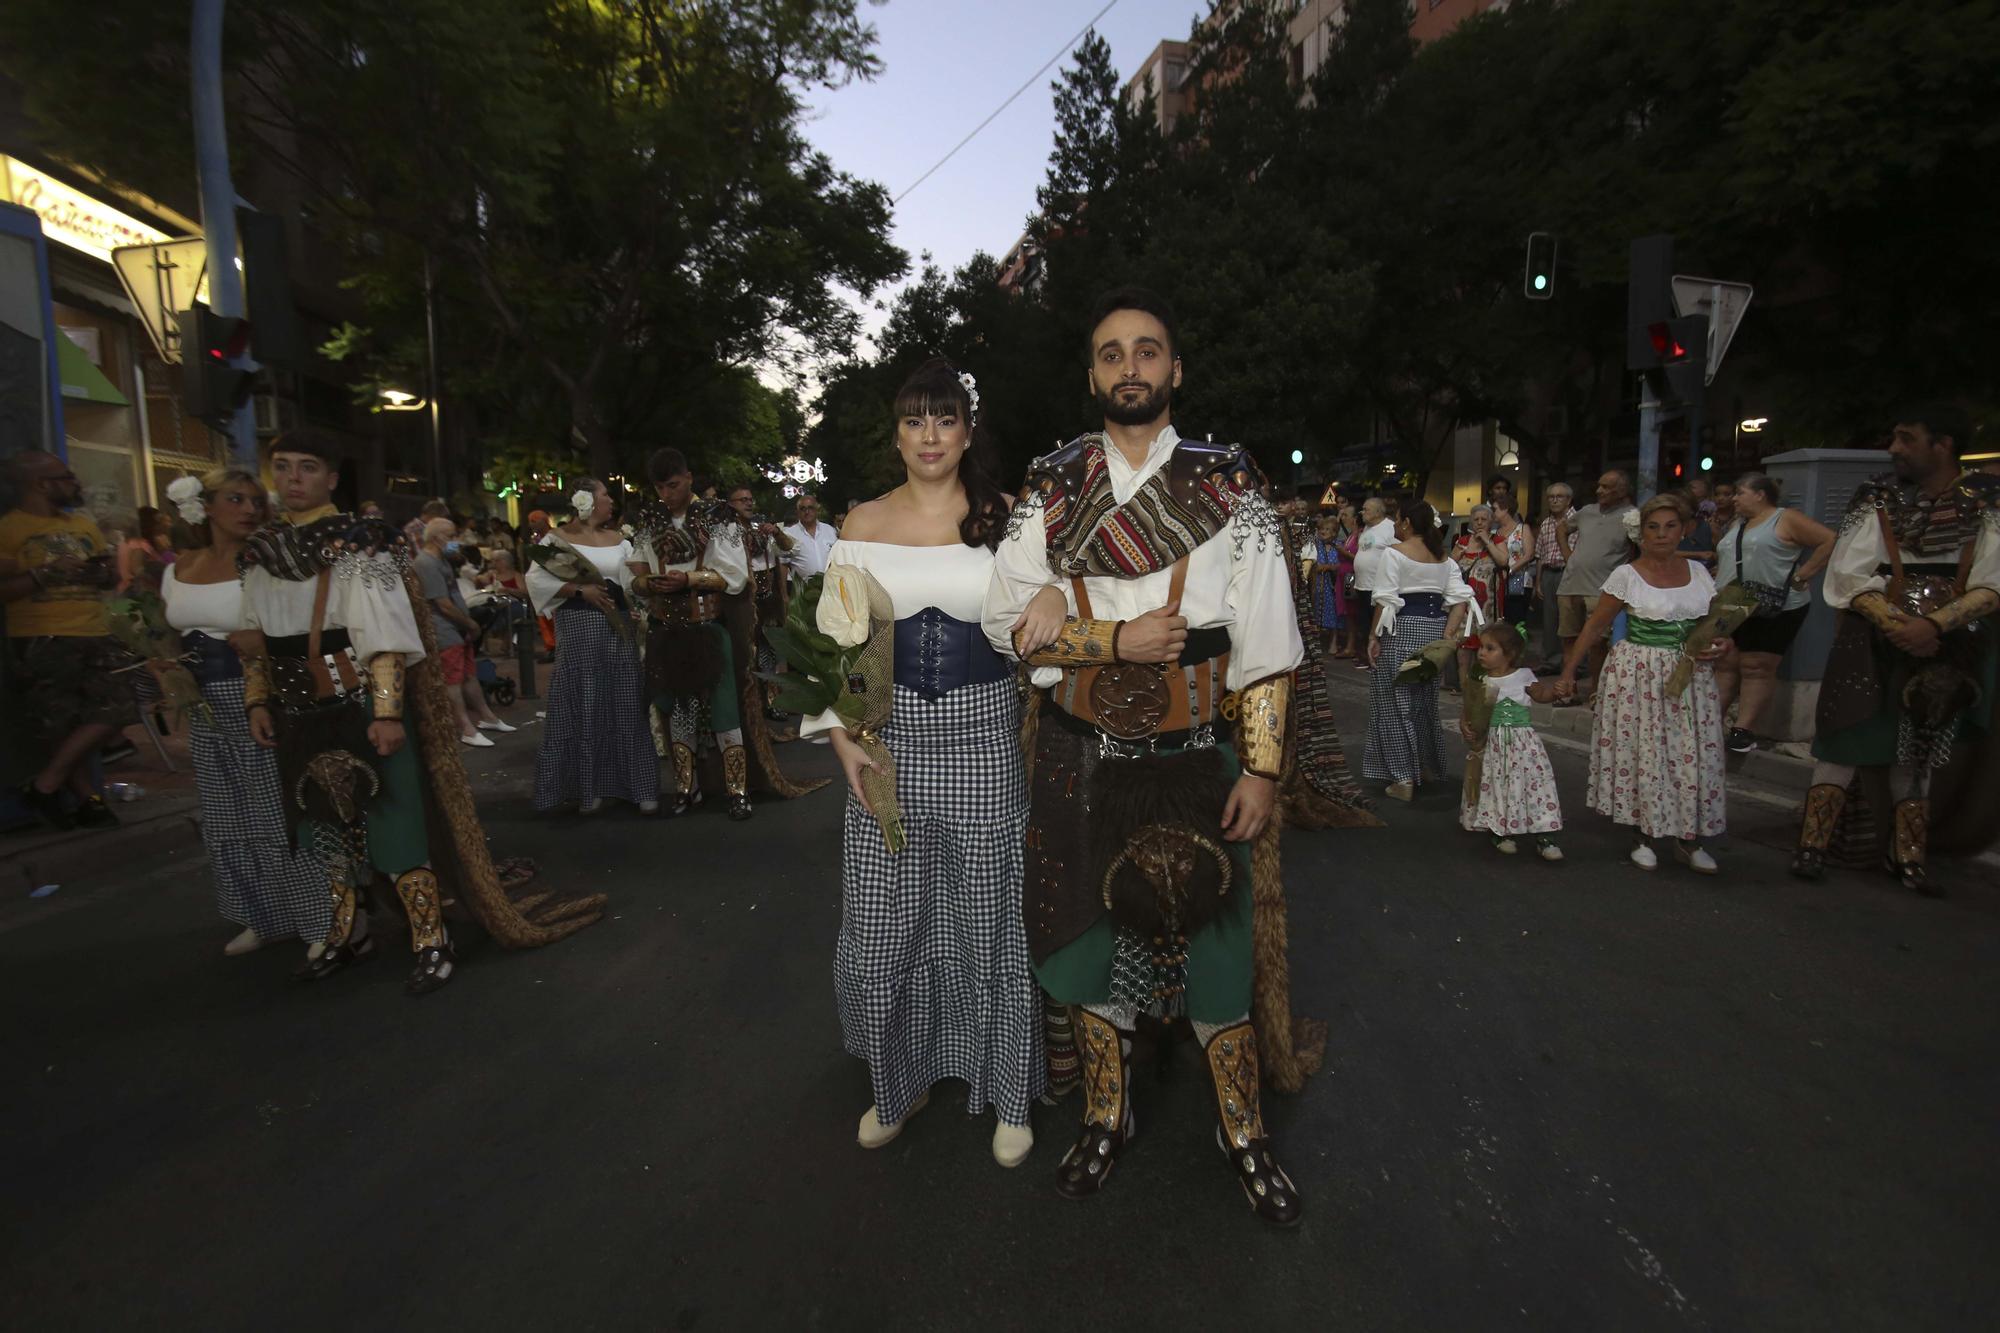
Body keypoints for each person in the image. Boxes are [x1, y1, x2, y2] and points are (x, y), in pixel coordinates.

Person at [988, 287, 1317, 1226]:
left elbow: (1268, 639)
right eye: (1109, 354)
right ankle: (1106, 1113)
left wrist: (1259, 770)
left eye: (1146, 351)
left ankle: (1241, 1129)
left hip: (1198, 751)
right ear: (1091, 375)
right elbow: (1001, 618)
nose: (1128, 366)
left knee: (1216, 951)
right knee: (1092, 949)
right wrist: (1096, 636)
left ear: (1175, 370)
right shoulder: (1051, 484)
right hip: (1081, 754)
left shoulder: (1229, 484)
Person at [239, 430, 599, 993]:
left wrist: (385, 713)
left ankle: (431, 938)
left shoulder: (364, 542)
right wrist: (258, 699)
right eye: (281, 466)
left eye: (307, 467)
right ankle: (347, 933)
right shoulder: (262, 551)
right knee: (324, 827)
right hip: (296, 711)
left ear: (332, 477)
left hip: (361, 701)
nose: (292, 478)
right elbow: (256, 638)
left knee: (394, 823)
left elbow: (386, 636)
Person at [800, 357, 1041, 1165]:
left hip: (982, 740)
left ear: (968, 431)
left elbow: (1048, 619)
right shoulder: (862, 522)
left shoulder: (1007, 517)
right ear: (897, 433)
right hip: (886, 743)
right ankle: (894, 1083)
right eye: (914, 419)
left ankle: (1009, 1090)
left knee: (991, 921)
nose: (930, 434)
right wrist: (848, 750)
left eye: (945, 418)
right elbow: (836, 654)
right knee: (883, 926)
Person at [1791, 404, 2000, 895]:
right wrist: (1893, 622)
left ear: (1942, 444)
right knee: (1845, 735)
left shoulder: (1987, 500)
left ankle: (1907, 855)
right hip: (1870, 638)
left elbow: (1993, 583)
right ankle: (1813, 846)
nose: (1893, 448)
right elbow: (1846, 574)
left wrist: (1933, 626)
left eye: (1906, 438)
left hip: (1948, 644)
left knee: (1919, 749)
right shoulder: (1877, 495)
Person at [160, 468, 332, 957]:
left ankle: (320, 918)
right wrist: (164, 665)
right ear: (205, 506)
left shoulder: (267, 563)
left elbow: (312, 624)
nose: (249, 510)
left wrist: (269, 643)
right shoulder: (180, 566)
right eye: (235, 499)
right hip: (203, 703)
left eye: (257, 501)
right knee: (226, 818)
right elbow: (169, 629)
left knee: (280, 810)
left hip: (263, 695)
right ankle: (261, 915)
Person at [1557, 493, 1730, 873]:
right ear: (1641, 533)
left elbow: (1716, 624)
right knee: (1646, 753)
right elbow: (1595, 625)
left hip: (1690, 678)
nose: (1662, 535)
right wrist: (1569, 672)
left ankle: (1689, 838)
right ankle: (1644, 834)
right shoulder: (1626, 575)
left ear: (1684, 530)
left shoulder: (1699, 575)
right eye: (1653, 527)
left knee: (1691, 752)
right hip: (1639, 673)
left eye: (1670, 526)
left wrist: (1721, 642)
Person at [0, 450, 129, 829]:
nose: (75, 483)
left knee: (118, 709)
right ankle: (88, 800)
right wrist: (46, 573)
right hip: (41, 635)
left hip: (94, 629)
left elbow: (107, 576)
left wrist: (101, 573)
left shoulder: (83, 526)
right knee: (59, 723)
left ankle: (44, 785)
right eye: (66, 477)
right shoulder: (10, 528)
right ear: (42, 484)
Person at [631, 449, 753, 819]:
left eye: (673, 485)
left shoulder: (716, 518)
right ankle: (686, 788)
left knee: (724, 710)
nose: (667, 494)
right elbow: (634, 568)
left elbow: (736, 578)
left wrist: (689, 579)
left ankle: (737, 791)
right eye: (660, 487)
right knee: (679, 711)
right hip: (668, 630)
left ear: (688, 477)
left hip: (708, 628)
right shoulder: (650, 520)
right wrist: (646, 581)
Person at [526, 478, 657, 815]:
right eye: (604, 495)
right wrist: (579, 591)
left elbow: (630, 582)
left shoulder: (619, 540)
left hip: (619, 627)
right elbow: (536, 579)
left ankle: (638, 786)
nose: (611, 501)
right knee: (587, 701)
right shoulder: (557, 540)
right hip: (579, 628)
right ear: (584, 500)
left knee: (627, 701)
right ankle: (590, 786)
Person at [1712, 472, 1835, 752]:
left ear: (1760, 494)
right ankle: (1710, 722)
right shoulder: (1737, 523)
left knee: (1756, 665)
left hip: (1773, 606)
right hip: (1732, 602)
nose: (1734, 498)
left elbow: (1829, 539)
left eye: (1740, 492)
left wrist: (1804, 574)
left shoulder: (1785, 518)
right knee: (1725, 662)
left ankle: (1744, 729)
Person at [1365, 500, 1477, 801]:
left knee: (1394, 700)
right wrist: (1446, 636)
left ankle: (1403, 778)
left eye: (1399, 520)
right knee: (1423, 702)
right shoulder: (1445, 558)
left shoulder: (1394, 554)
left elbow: (1385, 600)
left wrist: (1373, 637)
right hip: (1434, 629)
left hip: (1401, 629)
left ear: (1407, 523)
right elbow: (1460, 600)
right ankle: (1424, 769)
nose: (1397, 526)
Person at [1459, 623, 1564, 861]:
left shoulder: (1524, 676)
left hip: (1523, 743)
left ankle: (1545, 833)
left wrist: (1555, 693)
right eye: (1481, 647)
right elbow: (1469, 710)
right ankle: (1501, 830)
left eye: (1490, 648)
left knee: (1535, 785)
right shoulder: (1480, 679)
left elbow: (1542, 696)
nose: (1482, 653)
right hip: (1493, 744)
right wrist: (1465, 725)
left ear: (1510, 654)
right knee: (1499, 785)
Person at [415, 518, 512, 747]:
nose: (456, 540)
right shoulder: (426, 563)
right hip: (444, 628)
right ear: (438, 537)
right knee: (453, 679)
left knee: (468, 673)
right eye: (452, 535)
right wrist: (469, 623)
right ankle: (465, 727)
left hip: (457, 627)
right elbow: (442, 603)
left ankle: (487, 717)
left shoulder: (443, 560)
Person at [1555, 471, 1639, 704]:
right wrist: (1568, 555)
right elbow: (1561, 529)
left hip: (1603, 588)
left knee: (1597, 643)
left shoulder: (1632, 516)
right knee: (1569, 638)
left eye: (1606, 487)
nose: (1599, 491)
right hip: (1571, 583)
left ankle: (1596, 691)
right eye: (1599, 486)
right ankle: (1567, 689)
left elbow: (1637, 549)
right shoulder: (1587, 512)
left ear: (1621, 491)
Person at [727, 483, 796, 722]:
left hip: (770, 599)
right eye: (741, 499)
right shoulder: (729, 532)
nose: (748, 502)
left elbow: (789, 548)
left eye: (749, 498)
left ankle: (774, 702)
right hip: (746, 601)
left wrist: (776, 533)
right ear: (731, 505)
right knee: (750, 655)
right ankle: (753, 705)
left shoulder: (764, 527)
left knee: (772, 653)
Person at [1450, 505, 1507, 694]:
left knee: (1486, 646)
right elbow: (1449, 566)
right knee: (1463, 648)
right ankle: (1464, 688)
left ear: (1491, 522)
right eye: (1476, 519)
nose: (1480, 522)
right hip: (1464, 605)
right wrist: (1458, 552)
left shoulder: (1498, 540)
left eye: (1484, 519)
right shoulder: (1463, 541)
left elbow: (1503, 561)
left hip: (1487, 606)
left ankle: (1482, 688)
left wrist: (1486, 542)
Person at [1350, 495, 1397, 671]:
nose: (1362, 512)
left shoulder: (1390, 528)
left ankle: (1378, 659)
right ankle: (1366, 657)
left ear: (1378, 511)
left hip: (1378, 585)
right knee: (1363, 622)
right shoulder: (1367, 528)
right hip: (1362, 584)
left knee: (1377, 625)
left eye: (1366, 509)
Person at [1532, 482, 1574, 670]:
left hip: (1569, 572)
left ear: (1569, 500)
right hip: (1549, 573)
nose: (1555, 500)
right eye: (1551, 497)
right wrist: (1538, 582)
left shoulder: (1576, 520)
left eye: (1559, 496)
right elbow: (1540, 554)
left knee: (1570, 620)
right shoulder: (1546, 523)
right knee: (1549, 621)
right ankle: (1551, 662)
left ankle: (1575, 665)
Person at [1299, 509, 1346, 655]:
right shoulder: (1315, 545)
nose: (1323, 532)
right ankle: (1315, 642)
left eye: (1327, 529)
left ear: (1334, 532)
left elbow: (1343, 564)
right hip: (1318, 585)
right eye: (1322, 529)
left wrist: (1329, 567)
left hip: (1333, 585)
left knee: (1334, 613)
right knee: (1317, 612)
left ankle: (1334, 641)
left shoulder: (1339, 546)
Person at [115, 505, 174, 595]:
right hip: (140, 594)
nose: (161, 525)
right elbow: (137, 570)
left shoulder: (128, 542)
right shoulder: (138, 544)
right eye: (157, 522)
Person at [782, 493, 839, 579]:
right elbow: (783, 564)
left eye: (810, 508)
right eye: (803, 509)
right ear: (797, 512)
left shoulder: (830, 530)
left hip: (831, 586)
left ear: (816, 510)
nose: (807, 512)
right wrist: (784, 592)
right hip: (804, 589)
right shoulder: (789, 534)